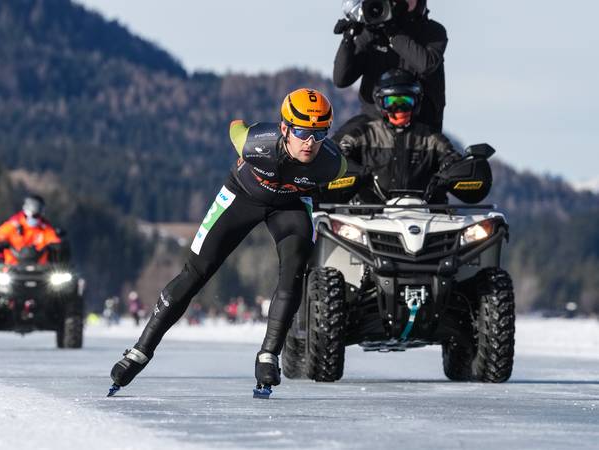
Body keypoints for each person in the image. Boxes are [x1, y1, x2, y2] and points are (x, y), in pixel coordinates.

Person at [109, 88, 347, 396]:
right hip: (242, 196)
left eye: (320, 133)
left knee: (294, 271)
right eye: (302, 132)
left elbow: (350, 178)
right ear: (285, 128)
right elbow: (235, 125)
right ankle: (141, 350)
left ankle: (268, 355)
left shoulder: (332, 162)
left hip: (291, 204)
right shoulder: (255, 143)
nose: (310, 142)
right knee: (196, 272)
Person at [332, 68, 460, 203]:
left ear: (416, 102)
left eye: (406, 101)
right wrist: (349, 166)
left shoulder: (432, 139)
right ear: (380, 103)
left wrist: (452, 167)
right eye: (392, 101)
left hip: (426, 216)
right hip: (367, 217)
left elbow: (453, 159)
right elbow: (337, 156)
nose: (399, 107)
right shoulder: (363, 135)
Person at [334, 0, 447, 132]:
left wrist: (393, 33)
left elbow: (426, 65)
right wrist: (348, 40)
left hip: (421, 131)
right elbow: (341, 80)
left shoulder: (433, 32)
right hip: (375, 131)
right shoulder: (371, 33)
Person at [0, 195, 61, 265]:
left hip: (40, 269)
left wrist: (56, 246)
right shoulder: (13, 225)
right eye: (33, 215)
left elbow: (54, 241)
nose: (34, 219)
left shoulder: (44, 228)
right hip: (11, 268)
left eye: (37, 216)